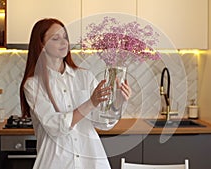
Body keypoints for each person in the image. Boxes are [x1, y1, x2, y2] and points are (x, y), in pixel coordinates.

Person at [19, 18, 131, 169]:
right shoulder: (33, 85)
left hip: (91, 161)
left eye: (65, 37)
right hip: (56, 163)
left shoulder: (84, 76)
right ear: (42, 46)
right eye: (56, 38)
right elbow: (55, 126)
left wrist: (118, 102)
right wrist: (90, 103)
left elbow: (103, 123)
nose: (64, 42)